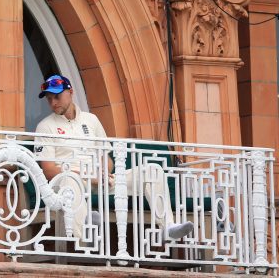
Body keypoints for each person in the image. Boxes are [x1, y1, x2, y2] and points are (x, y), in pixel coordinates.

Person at [33, 74, 194, 241]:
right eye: (49, 99)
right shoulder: (45, 126)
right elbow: (49, 170)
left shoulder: (91, 120)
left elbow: (106, 157)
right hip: (69, 183)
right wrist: (87, 174)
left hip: (98, 182)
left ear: (70, 92)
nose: (53, 103)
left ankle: (168, 228)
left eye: (57, 97)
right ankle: (85, 236)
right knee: (69, 180)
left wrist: (103, 173)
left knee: (153, 170)